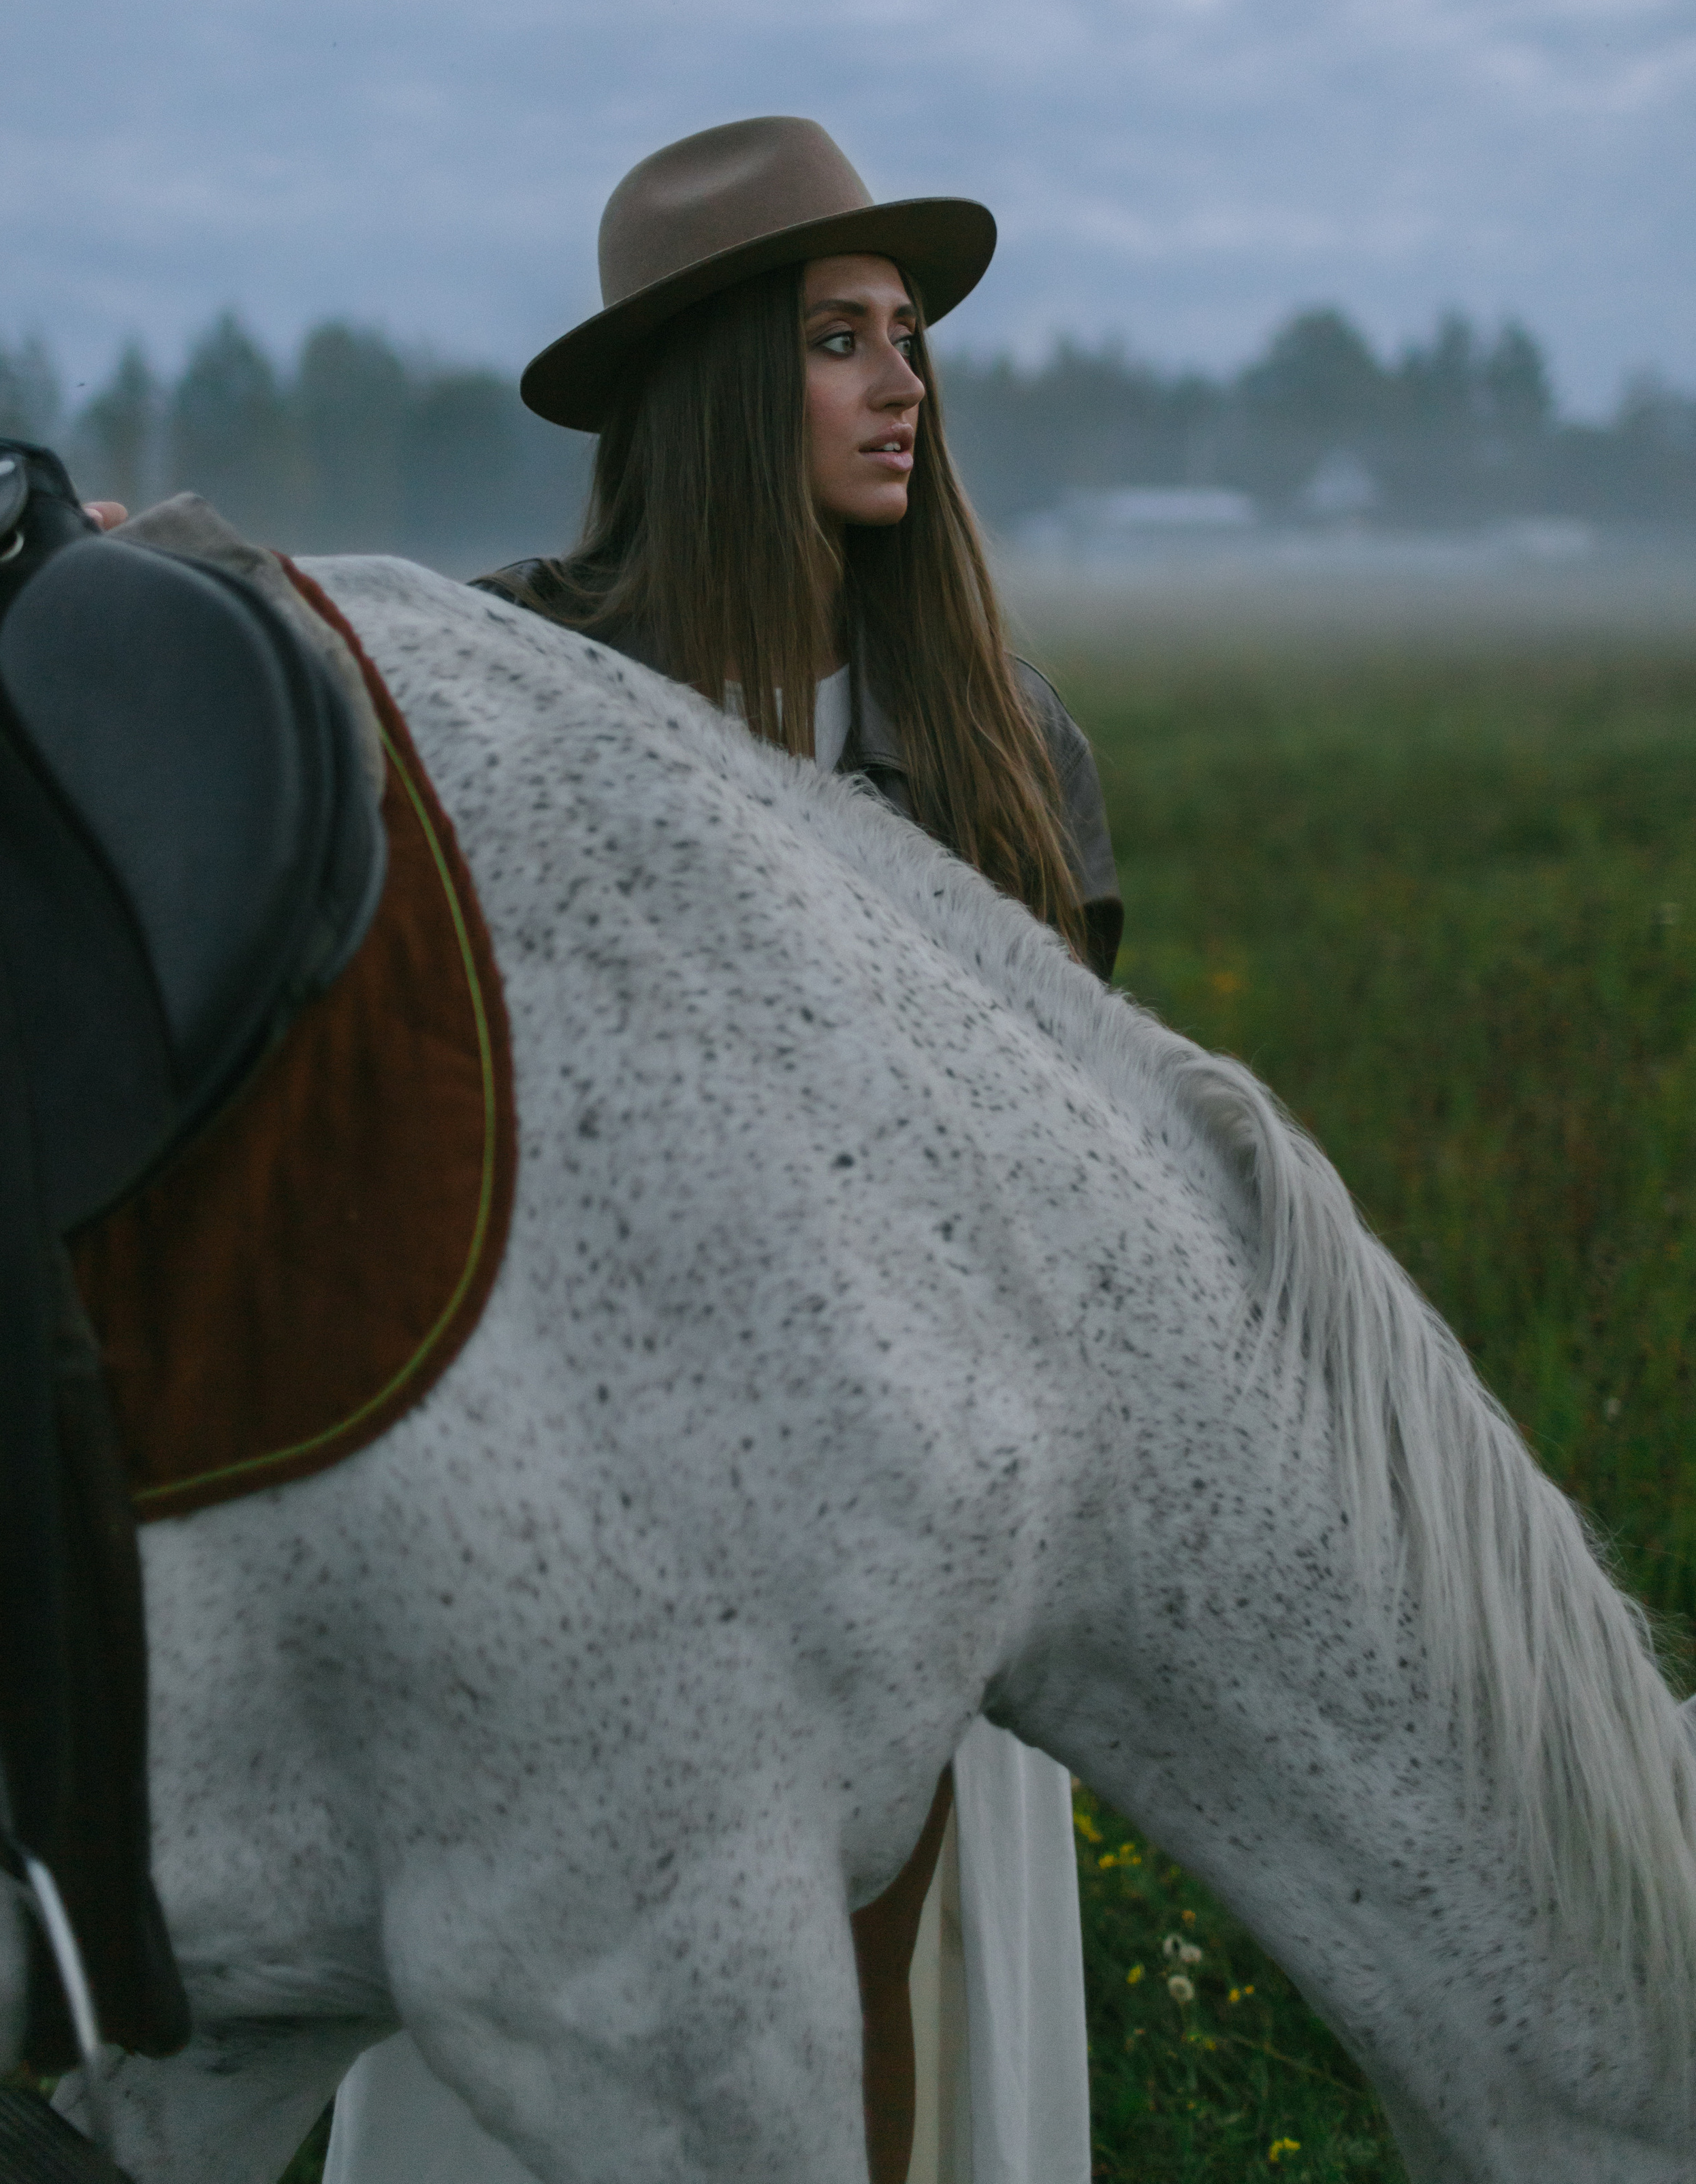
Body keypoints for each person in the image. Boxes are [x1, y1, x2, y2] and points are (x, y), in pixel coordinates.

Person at [321, 114, 1117, 2184]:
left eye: (909, 336)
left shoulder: (1002, 757)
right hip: (586, 1582)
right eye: (840, 336)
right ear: (711, 389)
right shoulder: (516, 698)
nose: (902, 382)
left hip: (926, 1582)